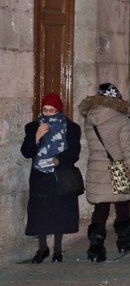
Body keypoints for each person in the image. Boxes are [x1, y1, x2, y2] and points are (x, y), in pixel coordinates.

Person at [79, 83, 130, 262]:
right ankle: (124, 240)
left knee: (101, 207)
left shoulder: (90, 117)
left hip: (97, 168)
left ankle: (96, 248)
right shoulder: (121, 120)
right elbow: (128, 151)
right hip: (118, 168)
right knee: (122, 206)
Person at [20, 93, 81, 263]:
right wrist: (37, 137)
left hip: (59, 174)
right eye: (45, 110)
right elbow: (26, 152)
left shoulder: (71, 127)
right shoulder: (32, 127)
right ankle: (42, 248)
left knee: (59, 212)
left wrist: (58, 160)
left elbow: (74, 152)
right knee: (40, 213)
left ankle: (58, 250)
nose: (47, 114)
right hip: (40, 175)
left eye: (51, 111)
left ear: (59, 110)